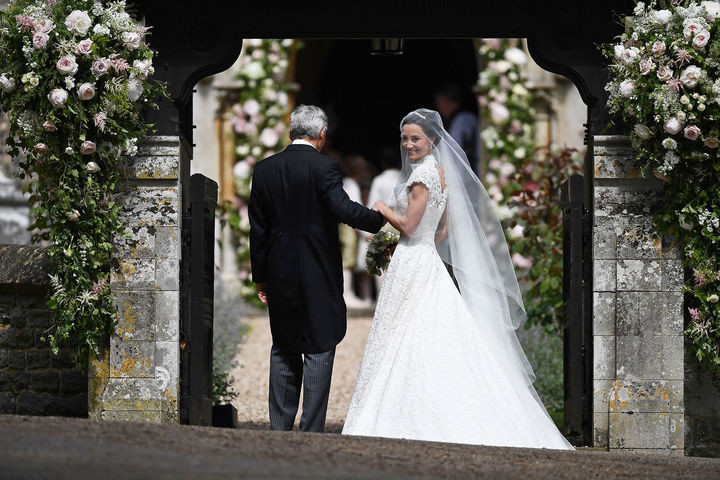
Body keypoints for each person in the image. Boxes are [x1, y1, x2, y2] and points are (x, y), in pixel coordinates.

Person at [341, 109, 573, 450]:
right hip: (422, 258)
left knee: (405, 331)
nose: (408, 144)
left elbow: (408, 225)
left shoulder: (423, 176)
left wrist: (381, 209)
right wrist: (409, 244)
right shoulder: (440, 173)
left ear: (432, 139)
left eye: (415, 138)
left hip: (414, 263)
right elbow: (443, 229)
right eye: (405, 138)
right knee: (420, 330)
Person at [249, 105, 385, 433]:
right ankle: (311, 431)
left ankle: (280, 428)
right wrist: (379, 218)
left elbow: (258, 228)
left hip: (279, 269)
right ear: (322, 135)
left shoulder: (265, 169)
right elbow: (342, 209)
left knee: (283, 344)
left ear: (291, 130)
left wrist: (262, 277)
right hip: (317, 269)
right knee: (320, 342)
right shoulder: (325, 168)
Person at [357, 147, 401, 295]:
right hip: (402, 219)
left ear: (383, 163)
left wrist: (368, 230)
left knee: (380, 259)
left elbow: (373, 204)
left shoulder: (379, 180)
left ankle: (382, 297)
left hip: (384, 221)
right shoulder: (404, 177)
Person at [435, 84, 479, 174]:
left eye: (439, 103)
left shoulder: (463, 119)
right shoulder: (460, 118)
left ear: (445, 101)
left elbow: (455, 150)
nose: (439, 108)